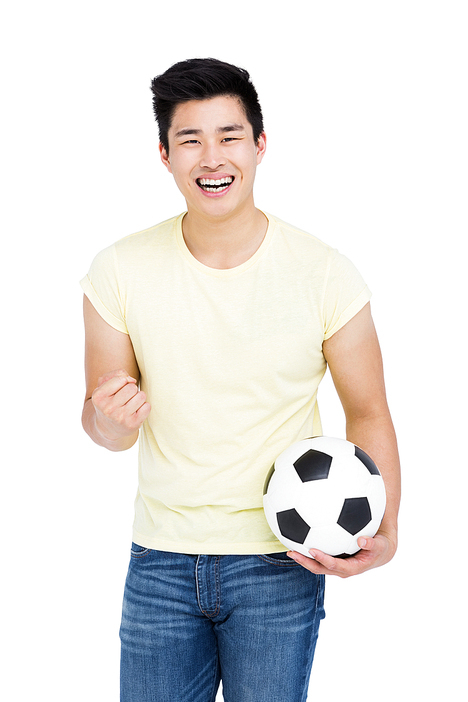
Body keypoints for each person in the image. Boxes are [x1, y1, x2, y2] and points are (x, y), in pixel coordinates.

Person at [81, 58, 401, 702]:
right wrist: (106, 421)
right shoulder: (118, 269)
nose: (211, 157)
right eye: (190, 140)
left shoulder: (325, 273)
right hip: (160, 562)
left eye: (228, 136)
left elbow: (367, 411)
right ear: (165, 156)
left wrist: (387, 529)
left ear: (259, 145)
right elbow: (104, 424)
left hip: (281, 562)